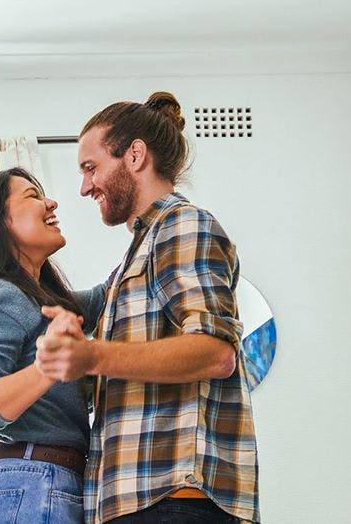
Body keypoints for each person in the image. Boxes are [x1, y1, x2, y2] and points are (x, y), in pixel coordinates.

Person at [34, 91, 259, 523]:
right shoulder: (136, 255)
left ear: (135, 155)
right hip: (143, 501)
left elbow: (215, 353)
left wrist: (92, 356)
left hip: (174, 500)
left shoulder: (182, 225)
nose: (84, 187)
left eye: (91, 168)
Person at [0, 167, 105, 524]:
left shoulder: (40, 304)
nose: (51, 203)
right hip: (22, 487)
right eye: (33, 196)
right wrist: (50, 365)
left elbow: (114, 293)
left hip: (37, 485)